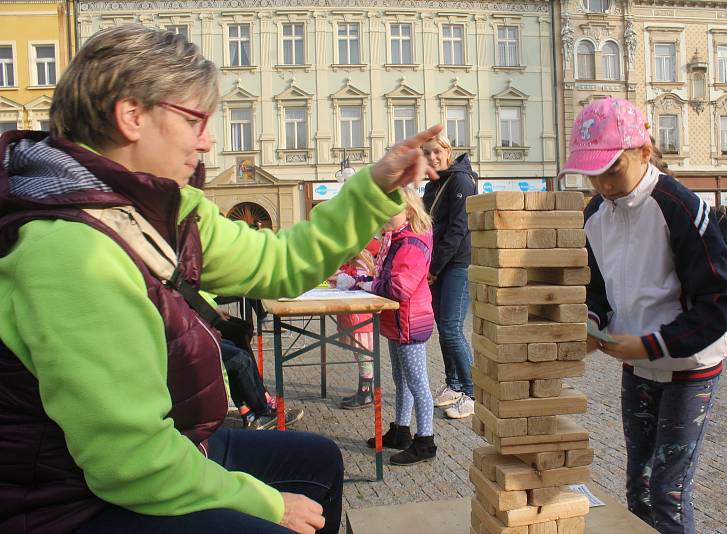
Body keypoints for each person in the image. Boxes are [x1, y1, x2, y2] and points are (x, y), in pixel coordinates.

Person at [0, 25, 443, 534]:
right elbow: (132, 464)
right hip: (67, 501)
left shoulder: (166, 209)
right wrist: (268, 505)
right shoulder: (68, 250)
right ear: (132, 116)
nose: (209, 140)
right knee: (284, 518)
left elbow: (281, 263)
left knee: (317, 462)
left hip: (160, 448)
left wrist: (372, 187)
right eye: (196, 120)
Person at [562, 97, 727, 534]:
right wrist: (594, 322)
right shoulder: (594, 215)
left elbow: (720, 301)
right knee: (638, 487)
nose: (602, 183)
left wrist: (650, 343)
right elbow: (597, 287)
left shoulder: (680, 207)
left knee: (668, 491)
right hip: (638, 365)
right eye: (593, 172)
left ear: (643, 151)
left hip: (689, 366)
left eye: (612, 169)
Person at [360, 187, 437, 466]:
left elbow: (399, 286)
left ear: (409, 210)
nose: (384, 216)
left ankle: (425, 440)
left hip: (409, 321)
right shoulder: (398, 238)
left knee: (418, 383)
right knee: (401, 379)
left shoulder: (412, 242)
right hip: (398, 321)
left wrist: (370, 285)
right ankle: (401, 431)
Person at [421, 134, 477, 419]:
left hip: (457, 263)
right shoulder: (433, 186)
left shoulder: (461, 182)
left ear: (448, 151)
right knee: (444, 328)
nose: (432, 158)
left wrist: (433, 268)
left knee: (452, 328)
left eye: (436, 152)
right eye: (427, 154)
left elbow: (458, 230)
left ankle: (473, 392)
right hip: (438, 266)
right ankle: (454, 384)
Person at [329, 246, 377, 409]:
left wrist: (336, 276)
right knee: (360, 355)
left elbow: (358, 282)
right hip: (353, 316)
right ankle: (363, 391)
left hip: (360, 317)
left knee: (364, 355)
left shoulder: (361, 260)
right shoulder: (350, 259)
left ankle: (366, 393)